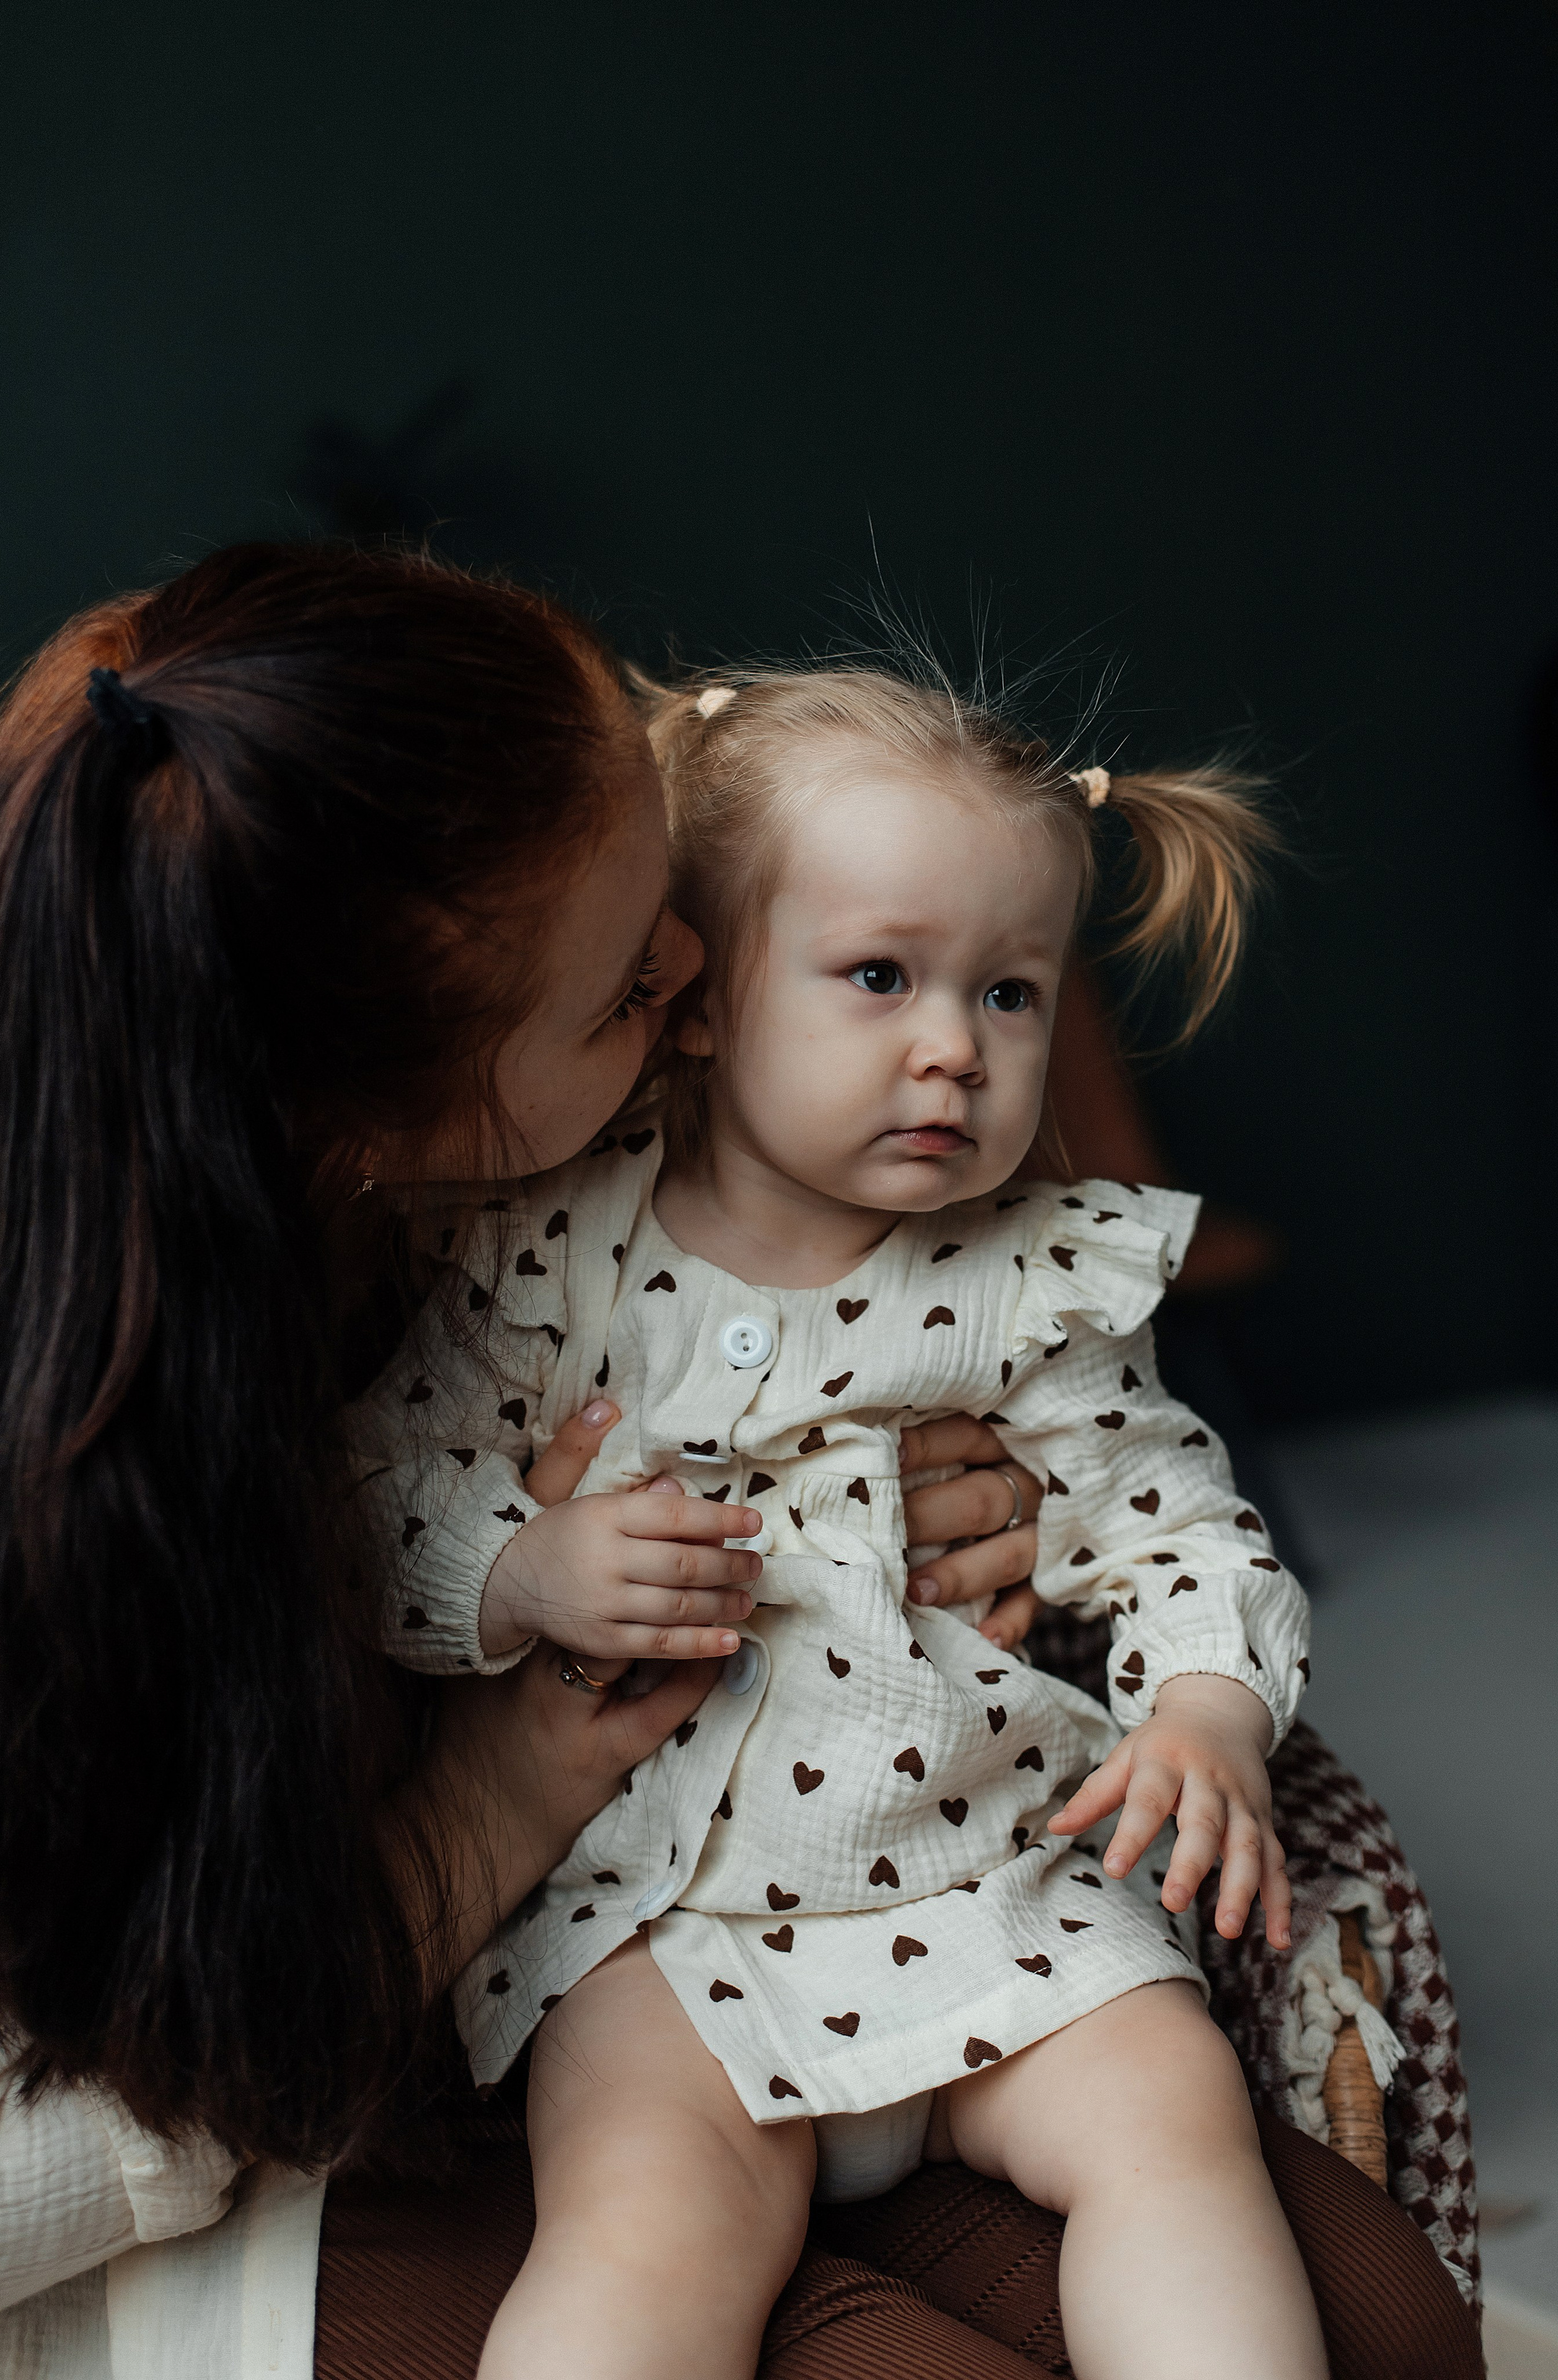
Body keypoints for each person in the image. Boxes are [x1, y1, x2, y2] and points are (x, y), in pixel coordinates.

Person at [0, 544, 1039, 2377]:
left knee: (1367, 2319)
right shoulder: (56, 1523)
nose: (699, 974)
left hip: (683, 1940)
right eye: (629, 988)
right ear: (371, 1130)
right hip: (247, 2124)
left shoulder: (493, 1170)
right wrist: (493, 1804)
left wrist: (968, 1509)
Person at [355, 668, 1326, 2380]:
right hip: (669, 1926)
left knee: (1180, 2130)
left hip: (999, 1884)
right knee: (639, 2238)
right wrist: (520, 1571)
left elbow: (1176, 1516)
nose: (954, 1045)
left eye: (1010, 994)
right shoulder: (551, 1255)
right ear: (701, 999)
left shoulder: (1032, 1282)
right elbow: (381, 1490)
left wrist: (1204, 1709)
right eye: (880, 977)